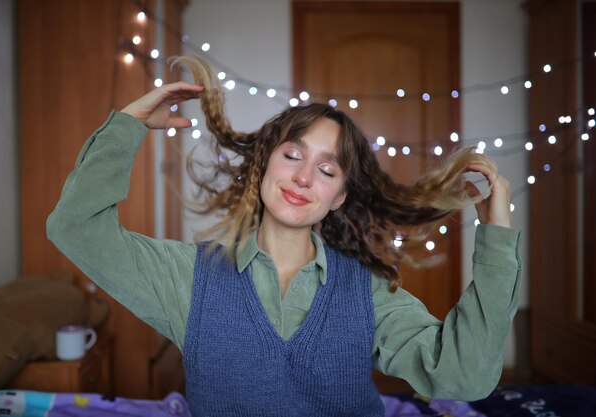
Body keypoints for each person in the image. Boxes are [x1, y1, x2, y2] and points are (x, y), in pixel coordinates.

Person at [47, 56, 521, 417]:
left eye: (328, 168)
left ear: (338, 196)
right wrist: (125, 126)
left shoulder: (368, 293)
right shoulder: (188, 278)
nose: (304, 177)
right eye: (293, 155)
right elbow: (76, 228)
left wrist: (496, 237)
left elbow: (464, 377)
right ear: (264, 166)